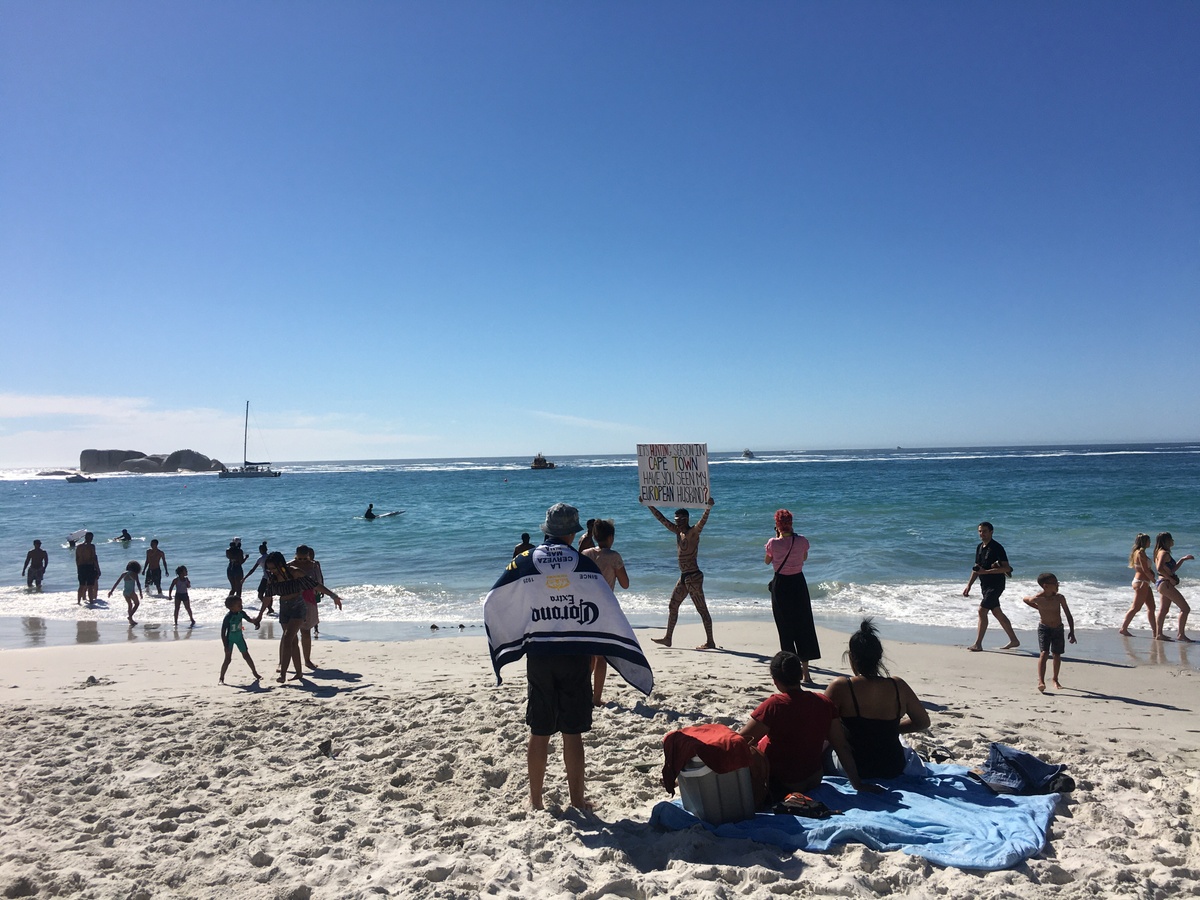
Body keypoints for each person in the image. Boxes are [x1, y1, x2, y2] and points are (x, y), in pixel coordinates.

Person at [483, 502, 653, 811]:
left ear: (546, 532)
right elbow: (605, 607)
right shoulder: (583, 563)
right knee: (572, 731)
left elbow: (495, 599)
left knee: (540, 730)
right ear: (573, 535)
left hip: (540, 654)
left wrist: (515, 636)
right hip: (575, 653)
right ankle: (577, 800)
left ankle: (535, 802)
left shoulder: (524, 561)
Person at [740, 651, 875, 799]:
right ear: (800, 675)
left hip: (785, 782)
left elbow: (742, 740)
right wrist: (857, 784)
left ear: (775, 681)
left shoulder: (774, 705)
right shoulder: (824, 703)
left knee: (754, 746)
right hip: (814, 779)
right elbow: (841, 745)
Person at [824, 620, 930, 778]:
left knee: (826, 747)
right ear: (879, 656)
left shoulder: (841, 686)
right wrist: (890, 729)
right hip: (893, 766)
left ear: (851, 657)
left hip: (856, 767)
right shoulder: (898, 685)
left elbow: (820, 723)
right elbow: (923, 722)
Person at [647, 498, 717, 649]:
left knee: (702, 609)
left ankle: (710, 641)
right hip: (684, 576)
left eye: (680, 520)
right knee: (673, 606)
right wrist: (649, 505)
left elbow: (702, 522)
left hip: (694, 576)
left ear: (686, 520)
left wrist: (708, 508)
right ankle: (668, 638)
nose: (677, 523)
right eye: (676, 520)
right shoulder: (677, 532)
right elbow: (662, 520)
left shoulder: (693, 533)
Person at [765, 509, 819, 684]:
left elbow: (767, 561)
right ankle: (807, 674)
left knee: (785, 629)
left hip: (781, 586)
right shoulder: (802, 540)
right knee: (803, 626)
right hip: (798, 584)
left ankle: (791, 673)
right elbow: (804, 558)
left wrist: (778, 538)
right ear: (791, 523)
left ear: (777, 525)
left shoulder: (772, 543)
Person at [583, 519, 630, 706]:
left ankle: (583, 691)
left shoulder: (585, 554)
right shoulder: (614, 556)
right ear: (611, 537)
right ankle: (596, 698)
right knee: (601, 656)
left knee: (589, 655)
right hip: (604, 608)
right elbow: (625, 584)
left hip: (585, 608)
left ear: (594, 536)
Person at [962, 522, 1019, 652]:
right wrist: (969, 585)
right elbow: (977, 568)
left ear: (991, 532)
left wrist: (986, 572)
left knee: (982, 611)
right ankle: (1014, 640)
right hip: (985, 585)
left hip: (996, 585)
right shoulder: (980, 547)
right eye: (980, 531)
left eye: (984, 531)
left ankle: (978, 644)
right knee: (996, 612)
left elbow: (1007, 568)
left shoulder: (997, 548)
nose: (982, 534)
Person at [1022, 573, 1077, 692]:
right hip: (1044, 628)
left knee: (1057, 654)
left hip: (1058, 628)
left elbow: (1068, 614)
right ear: (1045, 586)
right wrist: (1038, 607)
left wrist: (1072, 632)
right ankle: (1041, 681)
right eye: (1055, 583)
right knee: (1044, 653)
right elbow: (1025, 599)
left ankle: (1055, 679)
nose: (1058, 584)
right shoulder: (1038, 598)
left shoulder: (1059, 598)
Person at [293, 545, 344, 669]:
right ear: (296, 556)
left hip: (309, 600)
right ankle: (282, 663)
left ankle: (307, 660)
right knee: (289, 634)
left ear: (308, 557)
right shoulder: (290, 566)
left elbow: (318, 582)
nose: (302, 562)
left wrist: (331, 595)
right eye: (299, 559)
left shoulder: (314, 566)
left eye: (304, 559)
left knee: (305, 631)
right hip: (292, 601)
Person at [1153, 532, 1194, 642]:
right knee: (1185, 609)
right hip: (1165, 583)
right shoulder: (1164, 552)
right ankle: (1181, 634)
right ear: (1167, 541)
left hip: (1162, 583)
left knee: (1164, 609)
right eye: (1171, 539)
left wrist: (1182, 560)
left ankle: (1159, 634)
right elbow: (1159, 568)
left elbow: (1171, 569)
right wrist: (1170, 578)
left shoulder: (1159, 552)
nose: (1173, 541)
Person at [1120, 533, 1158, 638]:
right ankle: (1123, 628)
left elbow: (1143, 568)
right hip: (1141, 582)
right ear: (1144, 542)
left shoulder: (1139, 552)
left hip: (1143, 582)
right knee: (1136, 607)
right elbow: (1145, 570)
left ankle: (1156, 632)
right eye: (1149, 541)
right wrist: (1155, 581)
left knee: (1152, 607)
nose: (1150, 543)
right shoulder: (1140, 553)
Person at [220, 595, 263, 684]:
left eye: (241, 603)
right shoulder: (228, 617)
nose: (241, 606)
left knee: (246, 655)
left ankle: (255, 673)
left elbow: (250, 620)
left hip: (239, 638)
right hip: (230, 640)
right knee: (228, 659)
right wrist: (225, 645)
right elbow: (223, 632)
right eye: (239, 605)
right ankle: (221, 678)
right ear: (231, 607)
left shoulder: (242, 613)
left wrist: (256, 622)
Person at [240, 542, 274, 616]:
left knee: (260, 595)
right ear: (266, 549)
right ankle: (270, 608)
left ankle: (270, 608)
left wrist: (245, 578)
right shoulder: (271, 557)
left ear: (260, 550)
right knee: (269, 594)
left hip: (265, 578)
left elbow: (252, 570)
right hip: (273, 578)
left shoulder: (260, 559)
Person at [108, 561, 143, 625]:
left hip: (125, 592)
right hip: (131, 592)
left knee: (130, 605)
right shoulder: (135, 574)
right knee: (137, 604)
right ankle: (130, 617)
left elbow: (117, 582)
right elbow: (138, 583)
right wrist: (140, 592)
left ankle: (131, 621)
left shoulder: (124, 573)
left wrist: (111, 591)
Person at [75, 532, 100, 605]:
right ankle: (91, 602)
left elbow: (77, 559)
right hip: (89, 566)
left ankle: (78, 602)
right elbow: (94, 558)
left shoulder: (79, 547)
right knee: (90, 586)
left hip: (81, 567)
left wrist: (78, 568)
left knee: (81, 585)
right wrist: (98, 569)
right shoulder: (91, 546)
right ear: (91, 538)